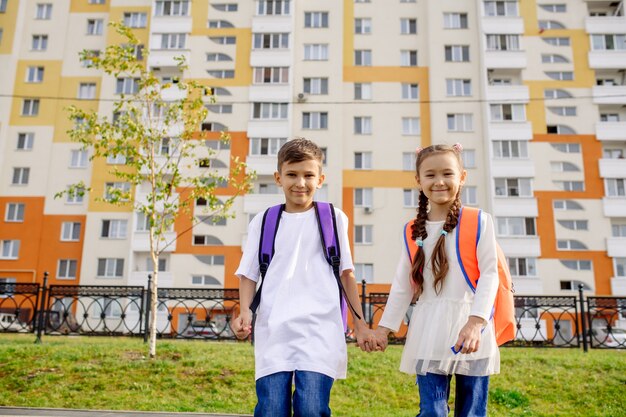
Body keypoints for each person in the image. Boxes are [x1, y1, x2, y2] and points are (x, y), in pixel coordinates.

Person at [232, 138, 377, 417]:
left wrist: (360, 326)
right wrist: (245, 314)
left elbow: (346, 274)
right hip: (274, 329)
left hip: (320, 330)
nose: (301, 183)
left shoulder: (334, 218)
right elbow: (248, 275)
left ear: (320, 179)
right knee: (271, 409)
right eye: (292, 175)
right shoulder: (263, 221)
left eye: (308, 175)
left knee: (312, 408)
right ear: (278, 178)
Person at [372, 143, 500, 417]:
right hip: (428, 329)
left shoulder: (479, 221)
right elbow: (403, 284)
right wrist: (384, 329)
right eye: (430, 175)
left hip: (472, 329)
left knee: (472, 412)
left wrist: (476, 323)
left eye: (447, 173)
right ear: (418, 181)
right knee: (432, 411)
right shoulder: (411, 230)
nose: (439, 181)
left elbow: (491, 274)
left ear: (462, 177)